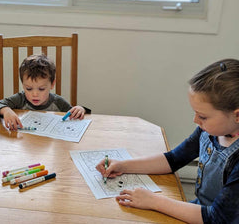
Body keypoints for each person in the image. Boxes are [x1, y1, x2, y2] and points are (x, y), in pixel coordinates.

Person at [96, 59, 239, 223]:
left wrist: (153, 201)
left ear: (237, 116)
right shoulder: (208, 131)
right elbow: (173, 159)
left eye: (203, 116)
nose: (195, 120)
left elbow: (217, 218)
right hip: (199, 211)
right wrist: (123, 165)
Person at [0, 54, 90, 130]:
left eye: (41, 89)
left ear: (52, 84)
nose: (34, 94)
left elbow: (73, 113)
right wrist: (5, 110)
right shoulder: (20, 99)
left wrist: (81, 109)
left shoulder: (58, 102)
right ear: (23, 84)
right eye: (28, 88)